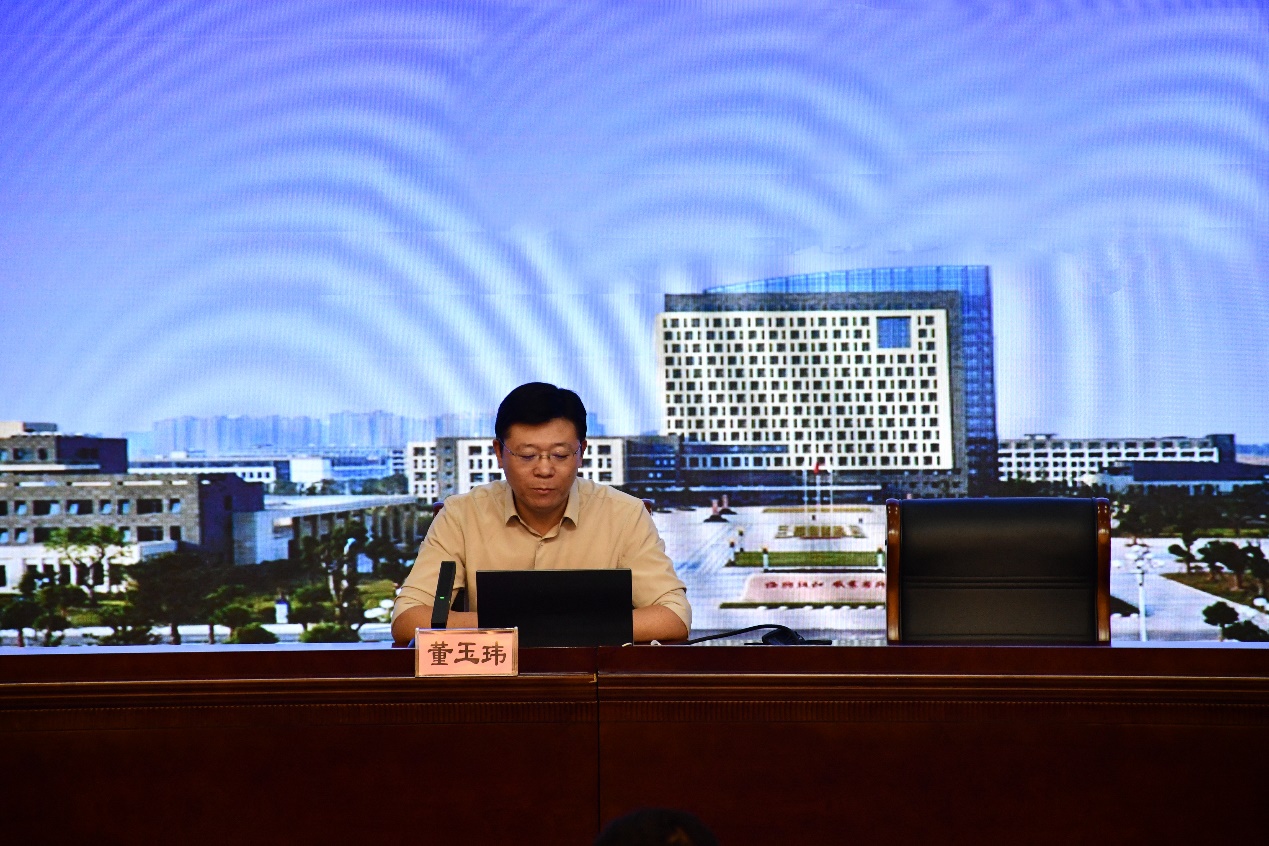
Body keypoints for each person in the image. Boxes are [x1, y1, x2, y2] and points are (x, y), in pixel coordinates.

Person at [391, 382, 690, 644]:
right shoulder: (461, 516)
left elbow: (674, 615)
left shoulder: (624, 515)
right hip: (493, 683)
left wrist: (532, 626)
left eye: (560, 455)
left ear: (582, 453)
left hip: (590, 680)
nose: (544, 469)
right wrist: (535, 626)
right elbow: (408, 618)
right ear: (499, 453)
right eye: (527, 455)